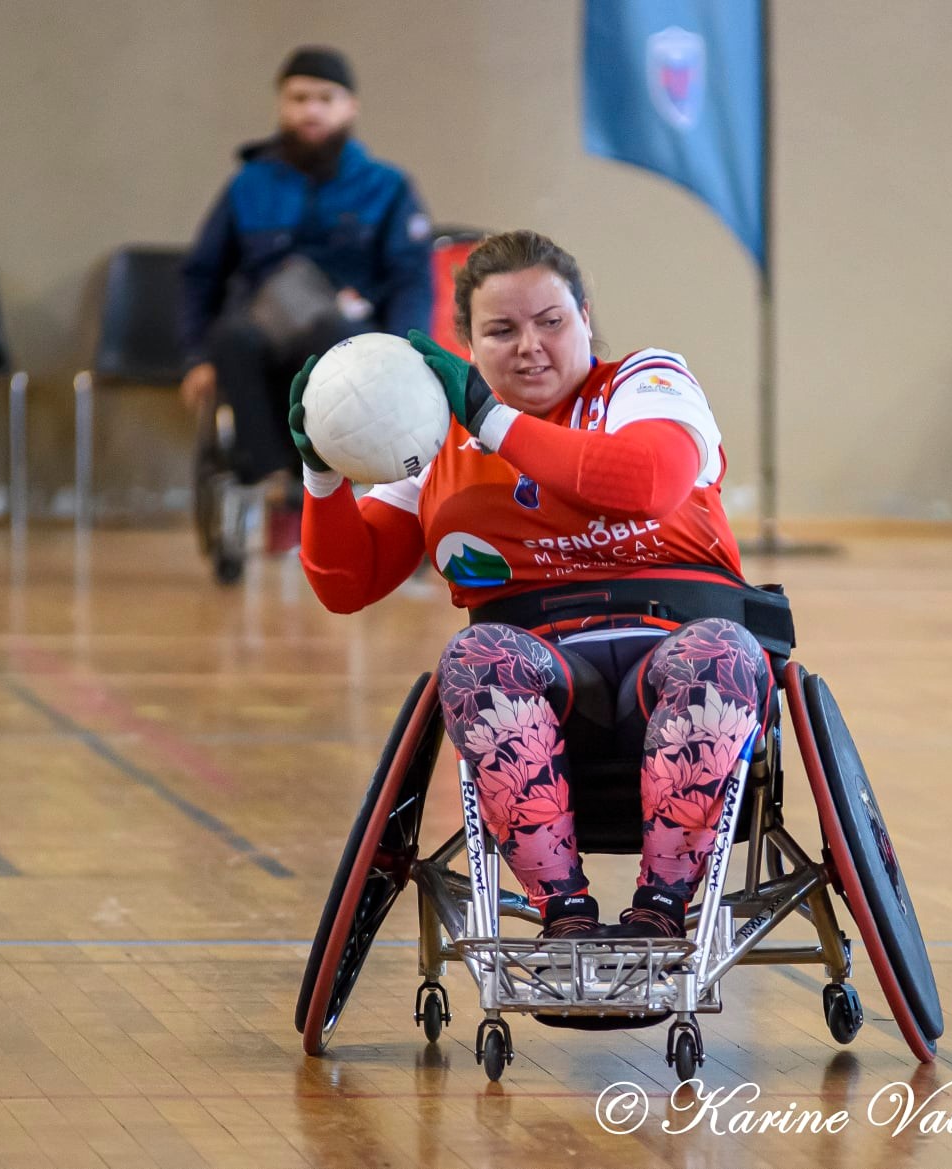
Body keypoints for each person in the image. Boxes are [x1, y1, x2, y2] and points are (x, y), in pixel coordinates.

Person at [291, 229, 773, 940]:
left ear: (584, 315)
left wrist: (491, 419)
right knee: (475, 657)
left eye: (550, 321)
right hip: (540, 679)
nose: (529, 345)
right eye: (501, 329)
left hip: (676, 650)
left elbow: (646, 482)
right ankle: (563, 912)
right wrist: (321, 472)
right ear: (465, 342)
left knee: (723, 652)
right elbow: (347, 582)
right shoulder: (434, 441)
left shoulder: (646, 383)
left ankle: (662, 909)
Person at [179, 45, 432, 546]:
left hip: (350, 337)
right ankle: (277, 484)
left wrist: (407, 355)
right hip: (265, 333)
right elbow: (201, 274)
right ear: (281, 106)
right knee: (230, 340)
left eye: (325, 98)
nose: (311, 110)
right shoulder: (248, 186)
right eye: (298, 98)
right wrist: (194, 358)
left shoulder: (388, 187)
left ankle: (327, 478)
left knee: (330, 332)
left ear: (350, 107)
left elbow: (411, 280)